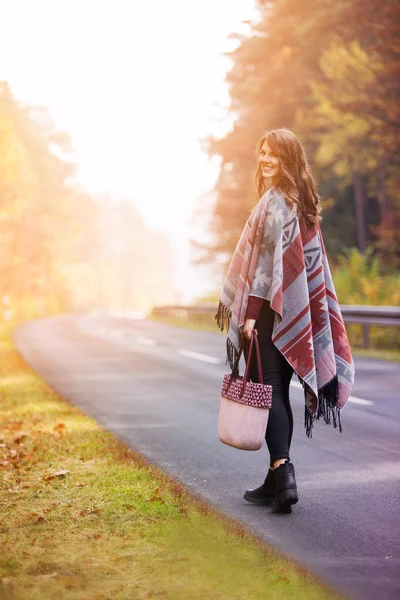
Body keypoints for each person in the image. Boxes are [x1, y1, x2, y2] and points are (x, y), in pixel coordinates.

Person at [215, 128, 355, 513]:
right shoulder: (303, 203)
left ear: (288, 159)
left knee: (270, 387)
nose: (265, 160)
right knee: (279, 391)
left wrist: (250, 317)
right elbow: (307, 270)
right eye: (262, 152)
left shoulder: (274, 203)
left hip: (267, 314)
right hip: (295, 315)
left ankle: (283, 470)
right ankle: (275, 481)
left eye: (273, 154)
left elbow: (262, 270)